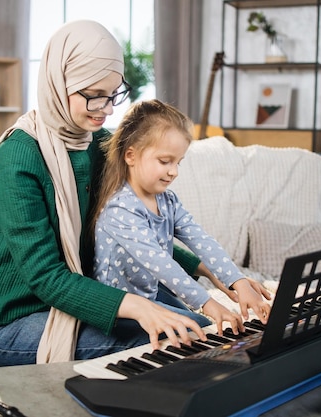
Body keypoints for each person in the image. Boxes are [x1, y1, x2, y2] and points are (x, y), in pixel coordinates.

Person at [0, 20, 217, 367]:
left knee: (204, 329)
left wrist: (212, 271)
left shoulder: (99, 144)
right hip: (7, 319)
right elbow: (46, 277)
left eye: (114, 94)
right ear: (59, 82)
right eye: (94, 95)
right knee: (170, 341)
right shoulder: (17, 158)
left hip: (81, 295)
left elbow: (130, 230)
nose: (108, 108)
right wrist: (141, 307)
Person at [90, 99, 272, 337]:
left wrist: (238, 281)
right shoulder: (120, 210)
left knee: (202, 326)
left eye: (178, 162)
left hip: (151, 294)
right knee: (198, 328)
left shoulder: (168, 201)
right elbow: (163, 266)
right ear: (131, 156)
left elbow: (201, 240)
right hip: (122, 309)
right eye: (165, 161)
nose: (174, 171)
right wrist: (207, 303)